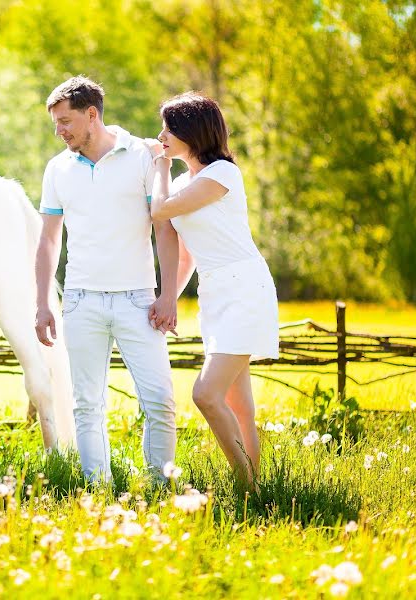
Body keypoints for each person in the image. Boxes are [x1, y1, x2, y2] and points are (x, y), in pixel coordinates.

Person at [35, 76, 180, 483]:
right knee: (86, 405)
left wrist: (168, 294)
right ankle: (98, 490)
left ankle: (159, 488)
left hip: (138, 300)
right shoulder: (58, 168)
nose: (59, 131)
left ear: (92, 114)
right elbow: (48, 241)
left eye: (65, 121)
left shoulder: (141, 156)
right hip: (80, 302)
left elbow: (164, 229)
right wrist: (44, 302)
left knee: (159, 400)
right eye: (56, 124)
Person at [149, 92, 279, 488]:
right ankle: (255, 493)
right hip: (215, 293)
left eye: (170, 129)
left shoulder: (222, 174)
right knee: (239, 405)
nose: (162, 136)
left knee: (206, 394)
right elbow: (187, 254)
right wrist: (169, 296)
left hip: (245, 289)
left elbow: (159, 211)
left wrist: (158, 166)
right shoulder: (181, 183)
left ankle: (245, 483)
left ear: (192, 132)